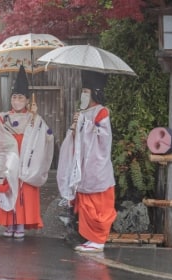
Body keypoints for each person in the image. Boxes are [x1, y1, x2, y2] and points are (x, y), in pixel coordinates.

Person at [0, 65, 54, 239]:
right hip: (9, 160)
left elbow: (47, 137)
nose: (17, 100)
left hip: (26, 161)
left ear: (26, 100)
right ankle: (9, 223)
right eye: (14, 97)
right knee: (8, 190)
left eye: (20, 97)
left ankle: (21, 224)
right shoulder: (4, 117)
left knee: (23, 192)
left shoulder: (34, 118)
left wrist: (36, 122)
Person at [56, 70, 117, 252]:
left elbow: (103, 138)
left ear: (94, 92)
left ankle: (98, 240)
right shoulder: (82, 112)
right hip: (82, 165)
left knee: (98, 204)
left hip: (96, 167)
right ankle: (91, 238)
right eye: (82, 90)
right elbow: (76, 138)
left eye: (86, 91)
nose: (83, 94)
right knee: (85, 203)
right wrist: (75, 127)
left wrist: (85, 124)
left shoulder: (102, 112)